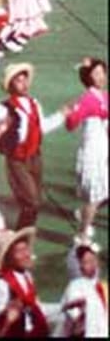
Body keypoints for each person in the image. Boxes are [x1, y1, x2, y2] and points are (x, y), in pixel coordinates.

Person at [0, 62, 57, 232]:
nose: (24, 84)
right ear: (10, 84)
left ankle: (24, 238)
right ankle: (18, 239)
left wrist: (62, 115)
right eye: (19, 80)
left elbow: (42, 127)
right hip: (16, 158)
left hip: (35, 156)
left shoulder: (34, 103)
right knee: (31, 201)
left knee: (34, 204)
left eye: (25, 80)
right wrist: (2, 131)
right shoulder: (4, 107)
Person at [61, 56, 107, 239]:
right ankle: (82, 235)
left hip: (103, 148)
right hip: (92, 150)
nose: (101, 76)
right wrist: (69, 114)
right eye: (96, 73)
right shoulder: (87, 99)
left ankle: (85, 215)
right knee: (94, 195)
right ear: (88, 77)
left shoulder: (104, 96)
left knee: (100, 193)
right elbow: (72, 124)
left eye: (103, 72)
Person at [0, 226, 49, 336]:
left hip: (33, 329)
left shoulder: (27, 276)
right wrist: (8, 314)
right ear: (8, 258)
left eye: (26, 249)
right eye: (19, 251)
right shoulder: (1, 284)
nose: (26, 255)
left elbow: (37, 305)